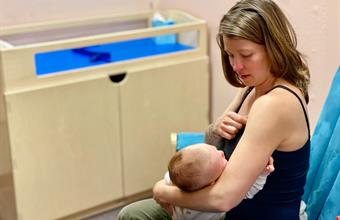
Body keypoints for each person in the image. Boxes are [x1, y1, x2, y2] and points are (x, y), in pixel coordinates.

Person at [119, 0, 310, 219]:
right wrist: (217, 128)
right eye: (230, 55)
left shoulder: (276, 103)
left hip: (253, 213)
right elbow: (212, 147)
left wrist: (163, 190)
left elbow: (223, 198)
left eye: (246, 55)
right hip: (230, 211)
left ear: (274, 48)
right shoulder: (251, 88)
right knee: (133, 214)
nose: (236, 66)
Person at [165, 143, 274, 220]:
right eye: (221, 159)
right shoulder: (212, 198)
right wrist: (262, 174)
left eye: (215, 149)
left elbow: (169, 179)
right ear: (212, 183)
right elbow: (249, 191)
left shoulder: (175, 180)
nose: (221, 152)